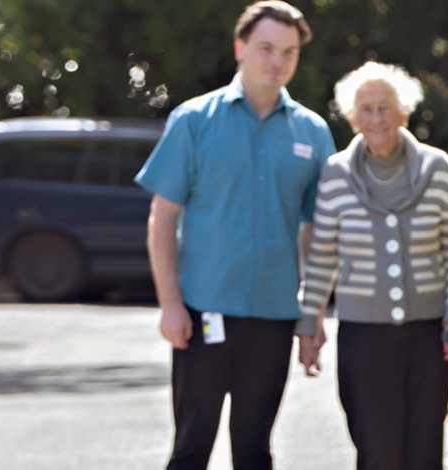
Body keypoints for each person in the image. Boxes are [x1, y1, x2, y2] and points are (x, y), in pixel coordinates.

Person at [133, 2, 335, 468]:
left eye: (288, 51)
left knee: (253, 449)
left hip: (273, 317)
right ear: (240, 48)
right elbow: (162, 218)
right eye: (266, 48)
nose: (277, 61)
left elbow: (318, 233)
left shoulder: (313, 132)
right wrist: (170, 306)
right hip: (203, 314)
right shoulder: (194, 120)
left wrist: (313, 314)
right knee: (191, 447)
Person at [295, 61, 448, 470]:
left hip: (428, 337)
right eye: (366, 109)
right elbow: (322, 255)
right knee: (377, 452)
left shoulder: (437, 168)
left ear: (404, 112)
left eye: (386, 107)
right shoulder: (335, 173)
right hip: (364, 339)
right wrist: (309, 323)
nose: (377, 118)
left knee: (424, 451)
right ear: (352, 116)